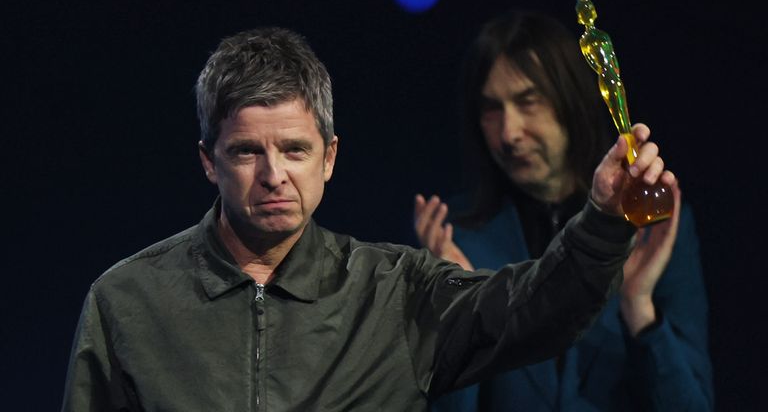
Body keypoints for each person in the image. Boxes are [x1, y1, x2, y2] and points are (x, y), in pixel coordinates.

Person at [61, 27, 675, 411]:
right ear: (207, 162)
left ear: (329, 158)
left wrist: (601, 219)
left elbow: (535, 311)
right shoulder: (127, 302)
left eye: (295, 150)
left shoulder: (397, 292)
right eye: (247, 151)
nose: (274, 174)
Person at [414, 11, 713, 411]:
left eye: (528, 101)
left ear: (570, 100)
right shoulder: (455, 236)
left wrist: (638, 306)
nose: (509, 133)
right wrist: (460, 316)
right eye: (491, 108)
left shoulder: (651, 226)